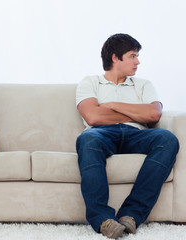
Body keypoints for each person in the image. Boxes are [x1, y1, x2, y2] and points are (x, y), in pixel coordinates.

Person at [75, 33, 179, 239]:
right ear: (115, 58)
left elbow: (153, 114)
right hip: (100, 134)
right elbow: (93, 116)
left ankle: (131, 215)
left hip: (137, 133)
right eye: (132, 56)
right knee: (87, 139)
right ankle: (103, 220)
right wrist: (135, 111)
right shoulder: (90, 82)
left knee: (167, 138)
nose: (137, 61)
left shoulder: (143, 85)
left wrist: (112, 105)